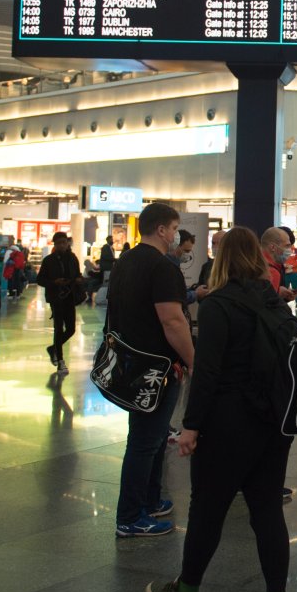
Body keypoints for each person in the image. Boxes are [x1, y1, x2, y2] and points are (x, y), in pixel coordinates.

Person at [145, 227, 293, 592]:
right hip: (273, 421)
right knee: (267, 511)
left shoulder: (219, 305)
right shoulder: (275, 303)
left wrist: (191, 426)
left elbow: (207, 371)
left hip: (228, 422)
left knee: (208, 508)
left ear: (223, 257)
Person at [112, 203, 195, 537]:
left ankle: (149, 499)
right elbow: (172, 320)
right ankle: (130, 516)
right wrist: (193, 360)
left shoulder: (127, 260)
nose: (176, 235)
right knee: (145, 441)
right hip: (157, 367)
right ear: (161, 229)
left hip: (131, 361)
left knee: (154, 436)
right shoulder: (163, 267)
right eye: (174, 228)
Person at [36, 232, 82, 375]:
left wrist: (78, 280)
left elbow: (77, 274)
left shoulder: (73, 258)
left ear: (67, 243)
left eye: (64, 242)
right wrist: (54, 283)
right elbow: (40, 279)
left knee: (71, 329)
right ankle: (61, 361)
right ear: (54, 245)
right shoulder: (49, 260)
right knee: (58, 328)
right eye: (58, 243)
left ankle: (53, 348)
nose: (62, 245)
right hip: (56, 297)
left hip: (69, 296)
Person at [260, 227, 297, 303]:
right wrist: (277, 294)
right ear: (273, 247)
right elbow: (269, 307)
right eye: (287, 246)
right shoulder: (271, 272)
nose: (289, 250)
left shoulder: (253, 262)